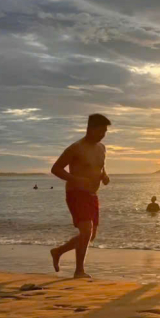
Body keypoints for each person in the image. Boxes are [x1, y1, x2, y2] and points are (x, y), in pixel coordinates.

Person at [49, 114, 111, 279]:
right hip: (76, 193)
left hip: (92, 195)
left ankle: (58, 251)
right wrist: (75, 179)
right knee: (86, 231)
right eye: (100, 131)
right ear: (90, 129)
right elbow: (56, 168)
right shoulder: (76, 148)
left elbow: (100, 167)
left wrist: (104, 176)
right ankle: (79, 271)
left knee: (90, 235)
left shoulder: (102, 148)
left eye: (105, 132)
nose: (103, 135)